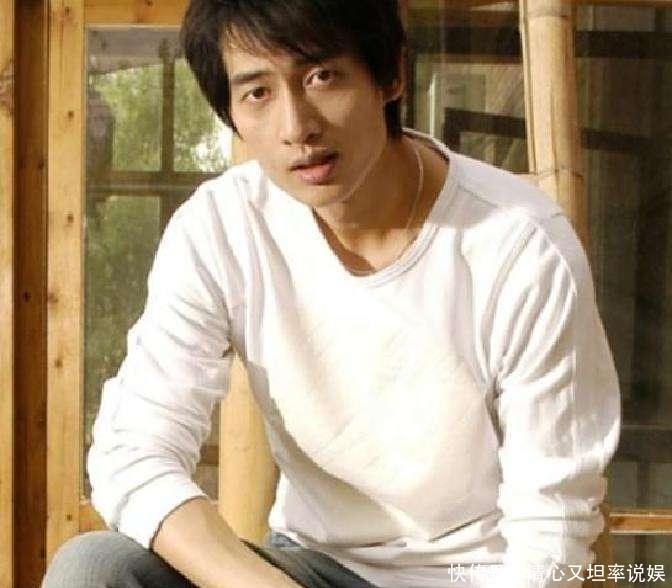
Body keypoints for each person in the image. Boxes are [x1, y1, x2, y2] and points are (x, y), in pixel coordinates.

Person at [41, 1, 621, 587]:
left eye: (322, 76)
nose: (297, 127)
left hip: (478, 572)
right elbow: (133, 451)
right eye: (258, 93)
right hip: (315, 568)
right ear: (231, 113)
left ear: (390, 75)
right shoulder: (223, 227)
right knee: (96, 570)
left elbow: (551, 527)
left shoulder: (520, 244)